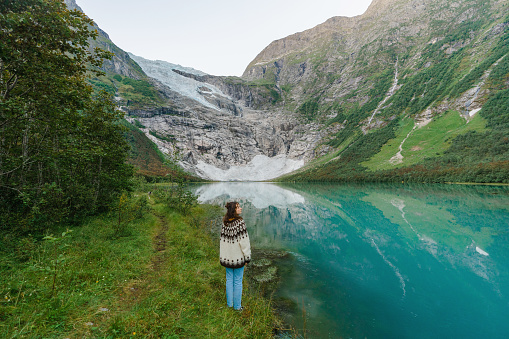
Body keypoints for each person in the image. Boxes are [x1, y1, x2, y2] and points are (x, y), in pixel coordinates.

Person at [220, 201, 251, 310]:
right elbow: (244, 242)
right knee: (238, 281)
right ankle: (237, 307)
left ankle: (230, 305)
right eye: (238, 207)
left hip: (227, 258)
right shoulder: (240, 222)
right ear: (233, 210)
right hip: (237, 258)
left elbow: (222, 241)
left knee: (229, 280)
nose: (241, 209)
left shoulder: (225, 222)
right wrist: (247, 257)